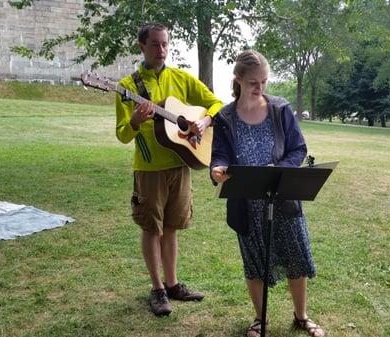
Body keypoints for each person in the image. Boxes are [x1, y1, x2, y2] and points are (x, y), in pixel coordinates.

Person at [210, 50, 325, 337]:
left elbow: (298, 148)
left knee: (295, 256)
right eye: (252, 82)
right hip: (245, 205)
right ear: (238, 80)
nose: (259, 87)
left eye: (263, 81)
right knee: (254, 264)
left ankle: (301, 316)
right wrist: (217, 169)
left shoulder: (280, 109)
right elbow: (219, 154)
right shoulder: (225, 117)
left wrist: (278, 169)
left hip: (283, 197)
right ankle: (260, 320)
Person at [115, 22, 223, 316]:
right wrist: (136, 120)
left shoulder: (181, 78)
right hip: (149, 169)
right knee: (152, 227)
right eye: (154, 44)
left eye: (165, 44)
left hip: (181, 163)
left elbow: (215, 104)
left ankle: (173, 284)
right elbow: (123, 134)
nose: (161, 50)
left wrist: (204, 122)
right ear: (141, 46)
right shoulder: (127, 87)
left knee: (172, 227)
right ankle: (157, 289)